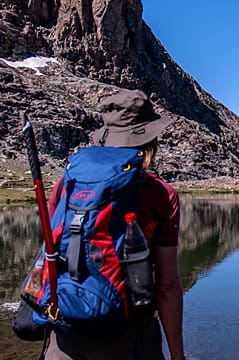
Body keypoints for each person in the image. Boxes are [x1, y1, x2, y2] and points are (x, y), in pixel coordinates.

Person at [42, 89, 185, 360]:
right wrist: (178, 355)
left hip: (64, 338)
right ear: (149, 140)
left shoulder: (66, 183)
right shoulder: (160, 194)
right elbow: (166, 286)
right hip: (130, 339)